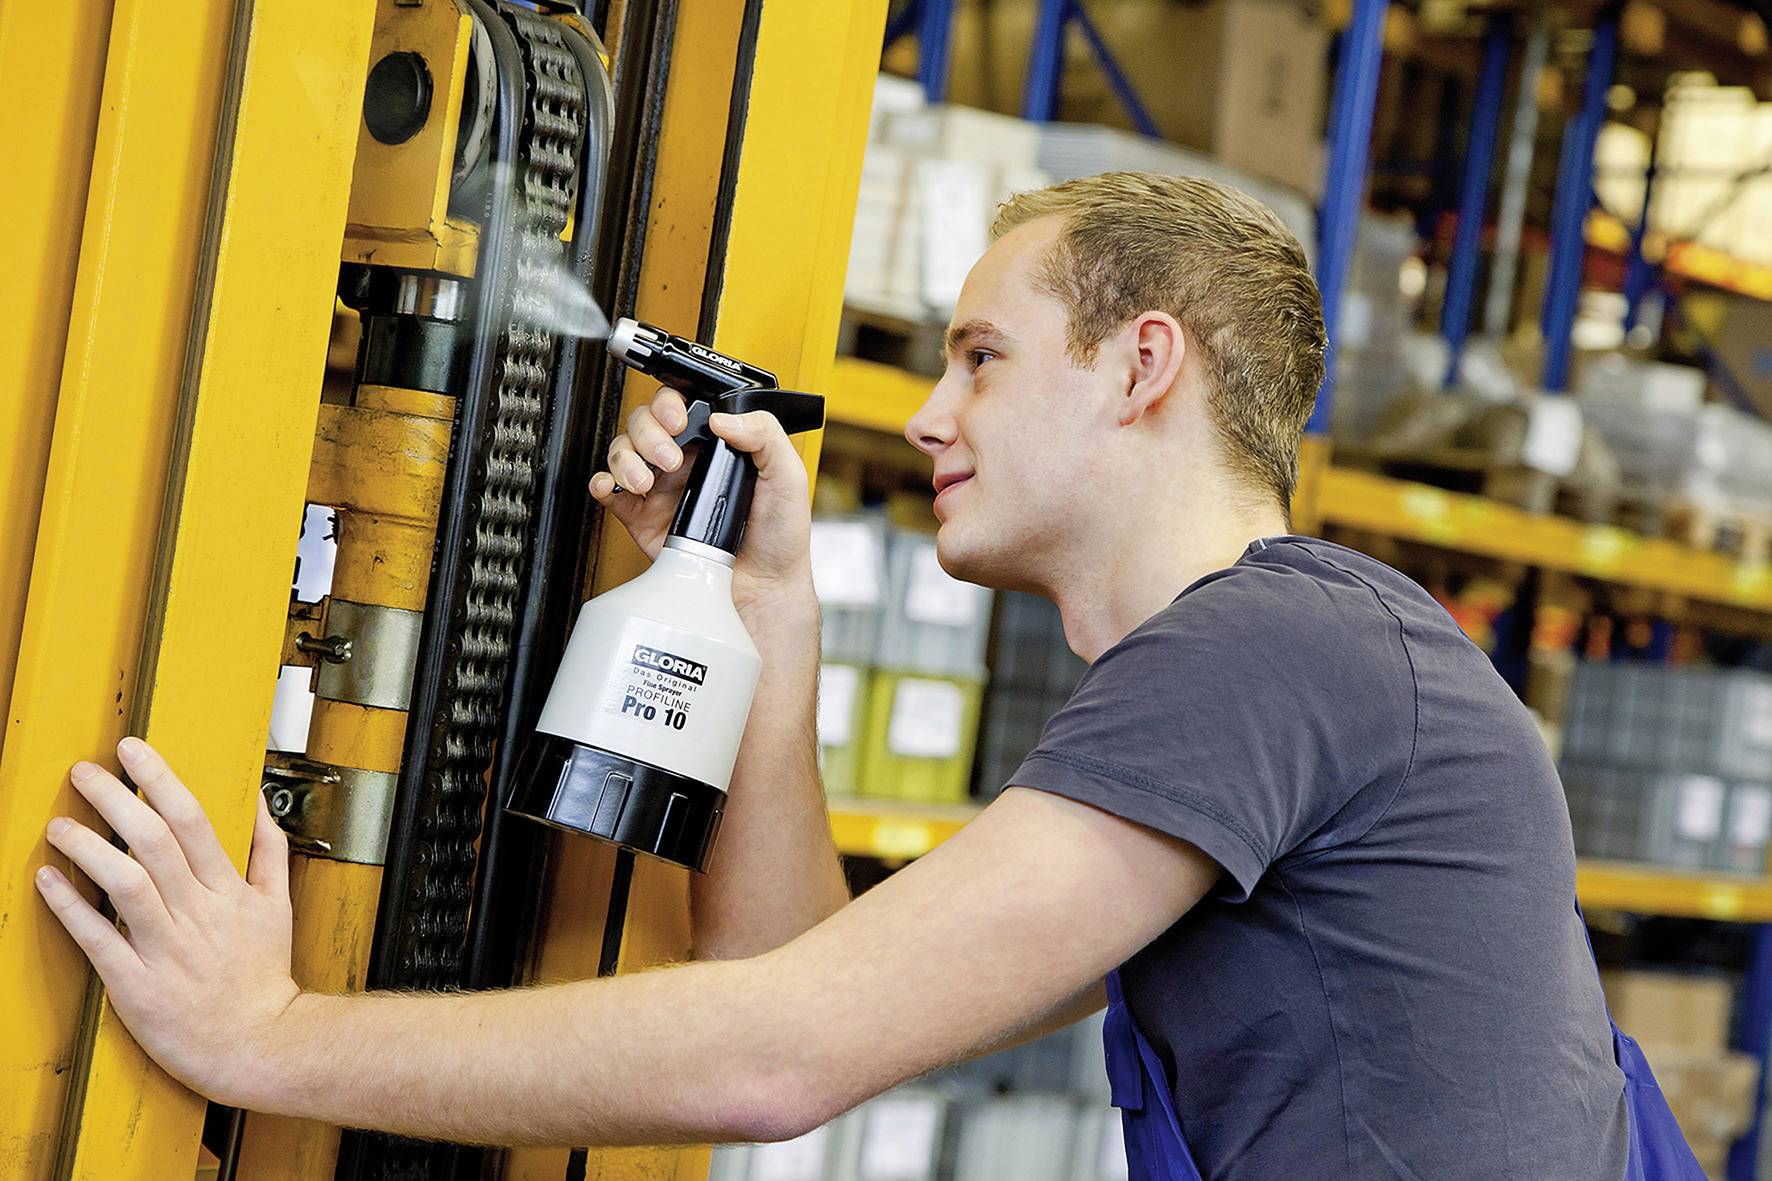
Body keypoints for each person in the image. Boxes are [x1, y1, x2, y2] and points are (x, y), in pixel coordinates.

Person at [37, 173, 1632, 1178]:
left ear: (1144, 364)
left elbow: (779, 1052)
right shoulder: (1285, 669)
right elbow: (795, 959)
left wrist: (265, 1031)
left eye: (981, 357)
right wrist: (770, 611)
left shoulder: (1272, 651)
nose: (931, 417)